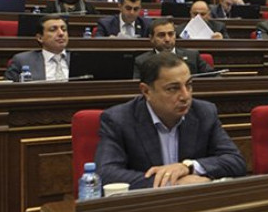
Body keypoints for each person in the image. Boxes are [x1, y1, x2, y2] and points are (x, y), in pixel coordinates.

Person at [95, 52, 246, 189]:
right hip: (146, 206)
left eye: (189, 85)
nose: (185, 96)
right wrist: (172, 183)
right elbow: (106, 174)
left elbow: (235, 161)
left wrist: (188, 167)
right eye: (173, 88)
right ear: (146, 91)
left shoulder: (204, 113)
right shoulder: (119, 119)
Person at [134, 18, 214, 79]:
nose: (167, 39)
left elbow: (214, 76)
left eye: (170, 34)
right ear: (151, 38)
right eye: (161, 35)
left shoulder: (192, 56)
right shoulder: (142, 61)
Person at [4, 14, 70, 82]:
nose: (61, 33)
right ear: (40, 38)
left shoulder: (76, 59)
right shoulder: (22, 60)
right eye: (53, 30)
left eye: (64, 29)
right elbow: (8, 87)